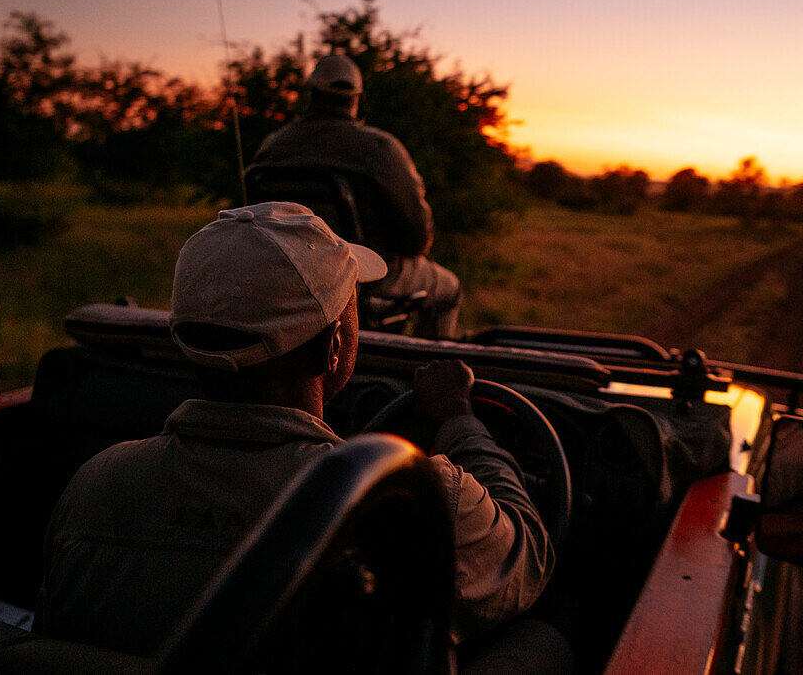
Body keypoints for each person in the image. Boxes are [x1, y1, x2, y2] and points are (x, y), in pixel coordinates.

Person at [35, 202, 553, 656]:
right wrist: (461, 418)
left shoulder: (95, 484)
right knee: (545, 639)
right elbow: (527, 556)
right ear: (332, 347)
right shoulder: (419, 502)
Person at [252, 54, 461, 338]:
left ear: (311, 94)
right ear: (356, 99)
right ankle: (428, 373)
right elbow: (418, 239)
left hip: (288, 278)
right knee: (449, 289)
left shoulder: (272, 147)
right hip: (364, 280)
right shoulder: (380, 148)